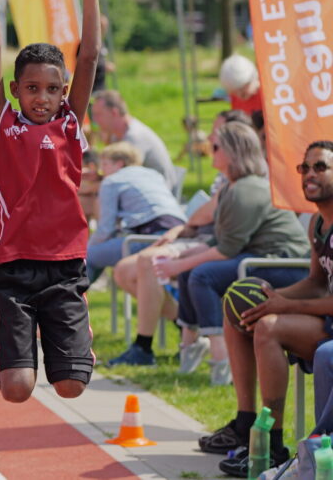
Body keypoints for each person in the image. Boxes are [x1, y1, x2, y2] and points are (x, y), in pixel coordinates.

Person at [0, 0, 117, 404]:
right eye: (32, 88)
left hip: (65, 268)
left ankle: (76, 341)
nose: (42, 97)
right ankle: (0, 348)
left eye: (52, 89)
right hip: (15, 268)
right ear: (16, 90)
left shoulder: (70, 123)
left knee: (71, 388)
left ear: (63, 92)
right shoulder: (2, 123)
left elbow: (91, 54)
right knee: (16, 389)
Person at [126, 123, 310, 380]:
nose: (209, 151)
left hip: (284, 264)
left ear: (234, 152)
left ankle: (221, 357)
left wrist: (180, 265)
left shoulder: (247, 189)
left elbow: (226, 250)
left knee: (202, 275)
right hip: (259, 257)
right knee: (193, 273)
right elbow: (220, 241)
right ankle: (190, 346)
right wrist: (180, 257)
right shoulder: (232, 188)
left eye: (215, 147)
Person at [196, 140, 333, 478]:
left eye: (321, 167)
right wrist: (271, 296)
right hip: (325, 315)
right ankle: (246, 424)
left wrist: (283, 304)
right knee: (242, 313)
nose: (309, 174)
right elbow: (316, 281)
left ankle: (273, 444)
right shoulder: (318, 223)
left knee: (269, 325)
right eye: (305, 167)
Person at [85, 141, 186, 284]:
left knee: (88, 256)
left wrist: (89, 246)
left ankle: (71, 302)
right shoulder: (152, 174)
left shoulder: (112, 181)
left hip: (150, 237)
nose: (102, 170)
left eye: (105, 164)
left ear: (119, 164)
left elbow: (105, 229)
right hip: (179, 233)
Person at [91, 89, 180, 192]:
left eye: (98, 115)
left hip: (157, 194)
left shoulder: (134, 137)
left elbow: (122, 179)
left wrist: (89, 188)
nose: (95, 120)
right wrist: (97, 175)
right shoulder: (117, 135)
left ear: (114, 113)